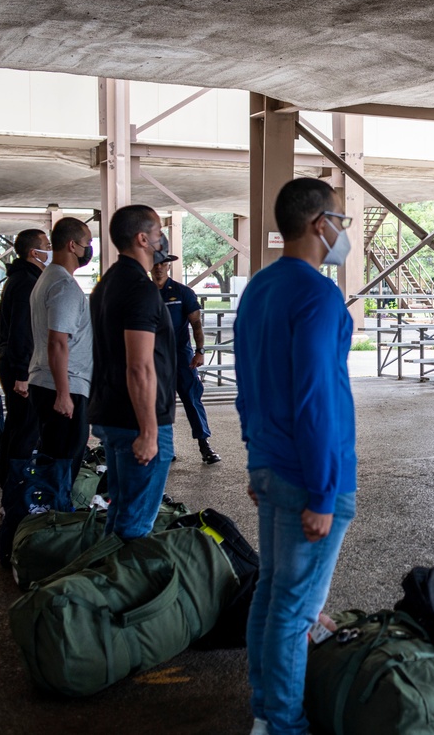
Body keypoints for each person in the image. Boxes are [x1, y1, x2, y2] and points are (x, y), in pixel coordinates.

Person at [235, 177, 357, 735]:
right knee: (295, 608)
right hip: (309, 474)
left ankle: (267, 707)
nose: (342, 232)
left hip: (271, 464)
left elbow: (249, 384)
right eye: (341, 221)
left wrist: (255, 459)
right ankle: (281, 724)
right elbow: (316, 397)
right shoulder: (318, 294)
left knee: (273, 592)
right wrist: (324, 493)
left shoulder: (258, 290)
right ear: (319, 224)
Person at [88, 205, 177, 539]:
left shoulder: (108, 284)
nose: (161, 239)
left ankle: (107, 581)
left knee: (122, 510)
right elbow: (139, 366)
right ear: (143, 239)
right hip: (136, 421)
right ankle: (123, 587)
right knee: (136, 522)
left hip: (113, 413)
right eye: (157, 233)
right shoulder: (140, 290)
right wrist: (149, 432)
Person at [28, 218, 94, 483]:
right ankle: (57, 517)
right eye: (87, 243)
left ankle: (50, 513)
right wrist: (64, 394)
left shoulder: (48, 277)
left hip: (51, 382)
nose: (89, 248)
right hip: (63, 385)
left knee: (55, 458)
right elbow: (57, 341)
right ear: (72, 245)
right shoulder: (64, 286)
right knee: (64, 462)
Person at [150, 256, 221, 465]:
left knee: (191, 398)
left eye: (163, 263)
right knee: (161, 403)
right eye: (155, 263)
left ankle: (204, 445)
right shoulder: (144, 292)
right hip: (155, 356)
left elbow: (196, 324)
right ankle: (165, 447)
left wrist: (200, 350)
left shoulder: (182, 292)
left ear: (169, 266)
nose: (159, 267)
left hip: (182, 355)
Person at [0, 228, 51, 484]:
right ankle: (15, 483)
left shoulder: (21, 278)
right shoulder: (27, 283)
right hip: (22, 366)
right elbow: (21, 330)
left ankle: (8, 477)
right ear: (34, 252)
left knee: (18, 425)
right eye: (46, 245)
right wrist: (21, 373)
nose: (50, 248)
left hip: (17, 362)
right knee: (26, 427)